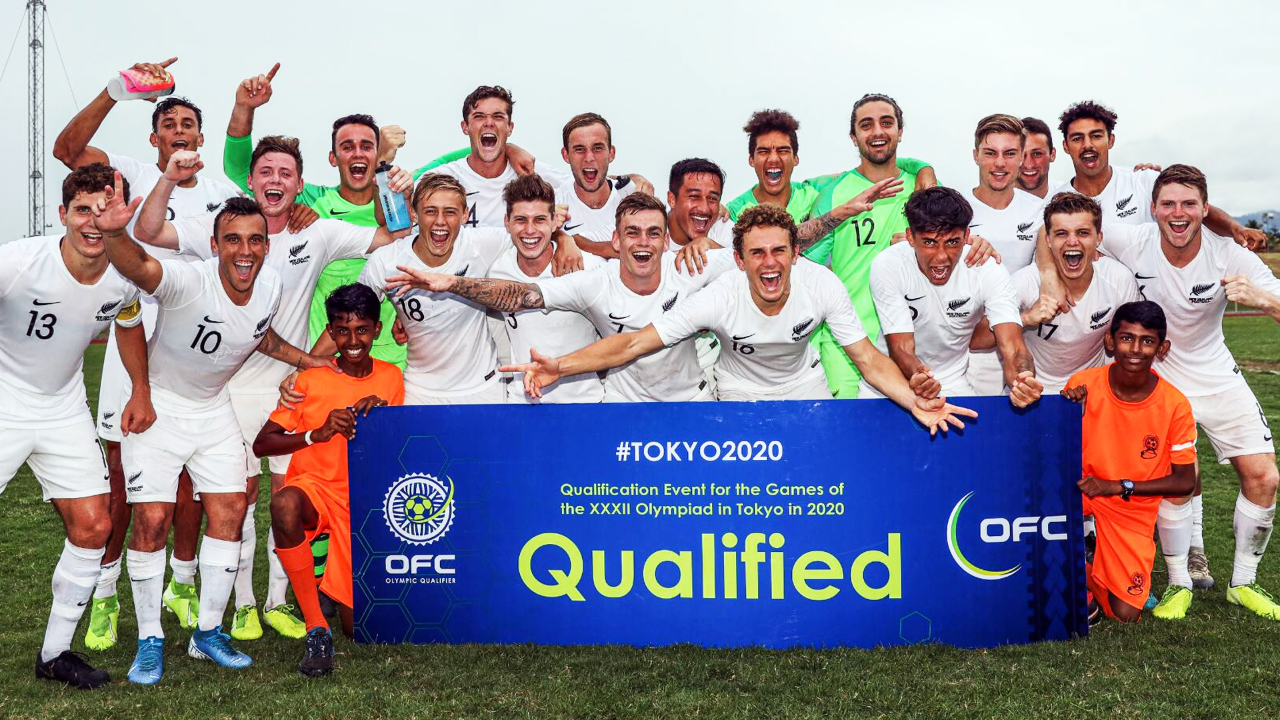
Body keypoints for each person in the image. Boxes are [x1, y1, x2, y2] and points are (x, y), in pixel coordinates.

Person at [134, 138, 409, 640]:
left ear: (299, 184)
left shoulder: (318, 230)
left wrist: (394, 185)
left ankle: (279, 601)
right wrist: (168, 179)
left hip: (290, 391)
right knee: (238, 500)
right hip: (229, 390)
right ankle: (242, 605)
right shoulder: (223, 224)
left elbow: (394, 236)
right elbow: (148, 231)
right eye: (265, 171)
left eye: (286, 173)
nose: (275, 180)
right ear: (251, 180)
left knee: (287, 499)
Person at [51, 58, 245, 649]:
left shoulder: (222, 193)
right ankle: (105, 594)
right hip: (132, 337)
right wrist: (119, 91)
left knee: (191, 480)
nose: (180, 131)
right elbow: (66, 149)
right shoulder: (128, 176)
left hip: (193, 352)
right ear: (155, 138)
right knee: (118, 475)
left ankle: (181, 583)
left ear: (201, 137)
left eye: (189, 123)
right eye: (169, 124)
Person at [101, 190, 330, 684]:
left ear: (266, 246)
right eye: (233, 240)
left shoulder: (270, 286)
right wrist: (116, 232)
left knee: (230, 511)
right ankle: (149, 640)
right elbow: (140, 267)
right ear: (215, 245)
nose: (244, 251)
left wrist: (308, 361)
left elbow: (258, 335)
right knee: (152, 520)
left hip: (213, 409)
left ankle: (207, 632)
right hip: (160, 408)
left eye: (254, 240)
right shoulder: (190, 281)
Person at [500, 205, 975, 426]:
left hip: (804, 386)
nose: (770, 263)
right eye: (757, 253)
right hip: (736, 392)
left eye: (779, 251)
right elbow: (633, 342)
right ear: (739, 261)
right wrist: (560, 365)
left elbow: (868, 359)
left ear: (795, 255)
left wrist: (913, 402)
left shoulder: (820, 284)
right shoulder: (719, 296)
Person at [1097, 165, 1280, 619]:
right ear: (1153, 208)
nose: (1178, 214)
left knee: (1265, 478)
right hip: (1162, 377)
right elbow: (1060, 229)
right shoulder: (1132, 240)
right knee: (1180, 478)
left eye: (1188, 204)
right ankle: (1180, 583)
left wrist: (1263, 299)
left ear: (1205, 209)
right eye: (1168, 204)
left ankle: (1244, 582)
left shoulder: (1228, 254)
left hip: (1217, 373)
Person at [1, 164, 149, 689]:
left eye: (104, 211)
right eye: (82, 210)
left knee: (93, 527)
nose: (93, 222)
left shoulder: (123, 276)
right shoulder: (19, 261)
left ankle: (54, 654)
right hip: (5, 400)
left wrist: (141, 390)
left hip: (64, 406)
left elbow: (129, 323)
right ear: (62, 214)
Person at [254, 283, 404, 677]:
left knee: (358, 629)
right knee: (283, 503)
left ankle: (326, 582)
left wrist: (381, 418)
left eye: (362, 330)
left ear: (377, 329)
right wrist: (315, 434)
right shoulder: (311, 379)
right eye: (342, 331)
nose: (352, 341)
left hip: (361, 500)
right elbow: (263, 443)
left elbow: (400, 450)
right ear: (331, 332)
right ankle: (316, 628)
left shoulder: (391, 378)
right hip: (316, 490)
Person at [220, 63, 407, 369]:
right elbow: (240, 169)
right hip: (325, 361)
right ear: (333, 158)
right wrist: (244, 108)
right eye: (347, 147)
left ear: (379, 155)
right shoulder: (313, 201)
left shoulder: (399, 196)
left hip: (391, 358)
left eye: (367, 147)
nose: (357, 154)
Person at [1062, 300, 1197, 623]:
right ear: (1110, 341)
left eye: (1147, 341)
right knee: (1035, 506)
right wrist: (1069, 414)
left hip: (1129, 506)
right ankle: (1076, 561)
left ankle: (1090, 561)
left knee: (1125, 614)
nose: (1135, 349)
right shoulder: (1083, 384)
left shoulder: (1175, 404)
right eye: (1127, 338)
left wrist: (1119, 486)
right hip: (1081, 491)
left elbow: (1185, 481)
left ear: (1161, 348)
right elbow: (1053, 451)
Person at [801, 94, 939, 398]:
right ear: (854, 137)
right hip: (849, 344)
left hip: (915, 345)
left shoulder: (923, 186)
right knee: (850, 428)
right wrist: (841, 213)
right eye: (866, 125)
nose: (877, 132)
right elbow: (800, 255)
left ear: (900, 131)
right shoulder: (835, 193)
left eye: (886, 123)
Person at [865, 187, 1041, 407]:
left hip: (951, 383)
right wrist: (919, 375)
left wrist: (1023, 379)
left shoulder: (987, 269)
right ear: (910, 237)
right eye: (929, 242)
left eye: (952, 242)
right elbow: (901, 348)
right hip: (886, 383)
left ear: (967, 237)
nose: (941, 257)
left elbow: (1013, 346)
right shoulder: (889, 264)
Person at [1056, 101, 1262, 247]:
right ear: (1066, 146)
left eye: (1096, 136)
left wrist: (1236, 229)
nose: (1088, 145)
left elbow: (1193, 207)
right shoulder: (1057, 201)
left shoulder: (1144, 180)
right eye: (1077, 138)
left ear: (1110, 140)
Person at [994, 193, 1140, 394]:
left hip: (1089, 391)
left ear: (1099, 238)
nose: (1072, 241)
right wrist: (1025, 318)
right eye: (1062, 233)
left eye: (1083, 233)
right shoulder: (1026, 281)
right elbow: (978, 339)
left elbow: (1133, 340)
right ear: (1048, 240)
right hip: (1033, 392)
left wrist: (1102, 386)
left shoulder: (1119, 279)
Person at [491, 175, 606, 403]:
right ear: (507, 222)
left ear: (554, 222)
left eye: (539, 220)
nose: (530, 230)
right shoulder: (497, 273)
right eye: (521, 220)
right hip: (522, 404)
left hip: (584, 405)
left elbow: (615, 338)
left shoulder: (590, 268)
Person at [959, 114, 1046, 394]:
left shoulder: (1038, 210)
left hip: (1020, 339)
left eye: (1009, 153)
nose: (999, 163)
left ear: (1021, 157)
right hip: (966, 349)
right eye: (990, 153)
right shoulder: (954, 209)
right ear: (975, 155)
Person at [555, 112, 639, 258]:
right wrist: (557, 236)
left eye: (597, 148)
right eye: (579, 149)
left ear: (611, 153)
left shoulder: (633, 197)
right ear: (566, 155)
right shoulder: (553, 204)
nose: (589, 158)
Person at [1016, 117, 1062, 200]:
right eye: (1021, 155)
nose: (1029, 165)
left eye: (1037, 154)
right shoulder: (996, 203)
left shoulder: (1070, 197)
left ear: (1052, 154)